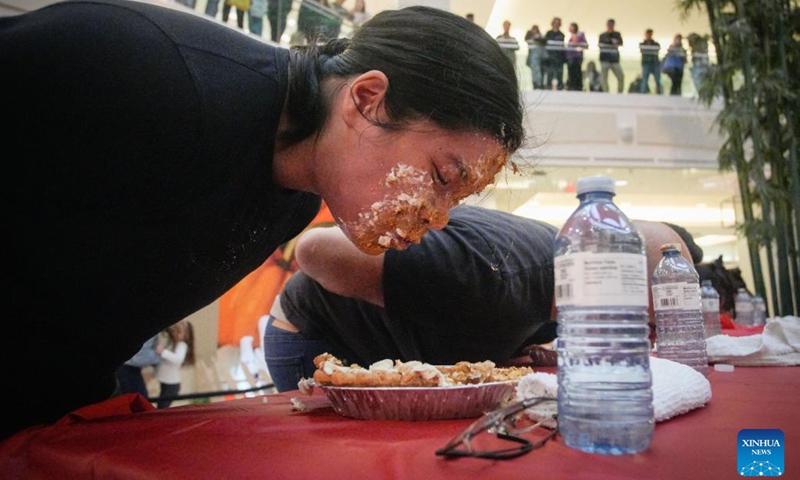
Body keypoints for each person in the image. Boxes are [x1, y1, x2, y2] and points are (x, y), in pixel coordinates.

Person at [1, 0, 523, 438]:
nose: (438, 220)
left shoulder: (294, 198)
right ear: (367, 99)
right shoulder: (158, 78)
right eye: (441, 175)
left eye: (460, 197)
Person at [263, 205, 696, 391]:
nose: (640, 343)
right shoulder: (488, 278)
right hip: (315, 338)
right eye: (645, 327)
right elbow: (314, 249)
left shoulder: (564, 278)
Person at [263, 206, 559, 391]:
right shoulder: (478, 273)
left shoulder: (559, 270)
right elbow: (315, 250)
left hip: (392, 343)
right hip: (319, 335)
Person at [154, 321, 195, 409]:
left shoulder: (182, 345)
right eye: (174, 331)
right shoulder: (171, 344)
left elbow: (178, 359)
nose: (175, 334)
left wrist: (163, 352)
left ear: (186, 334)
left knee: (162, 407)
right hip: (166, 382)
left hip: (171, 385)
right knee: (161, 405)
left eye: (178, 332)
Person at [598, 18, 624, 93]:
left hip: (614, 59)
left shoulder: (617, 34)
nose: (610, 26)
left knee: (620, 76)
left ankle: (620, 92)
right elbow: (601, 45)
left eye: (611, 25)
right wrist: (610, 42)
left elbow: (620, 43)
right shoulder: (602, 35)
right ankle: (606, 92)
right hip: (604, 59)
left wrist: (615, 42)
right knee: (604, 77)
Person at [543, 17, 565, 90]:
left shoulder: (561, 34)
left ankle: (560, 87)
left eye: (557, 23)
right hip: (550, 56)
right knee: (550, 73)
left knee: (559, 73)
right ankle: (548, 87)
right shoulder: (548, 33)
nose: (556, 24)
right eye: (555, 23)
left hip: (559, 56)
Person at [639, 28, 663, 94]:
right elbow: (642, 50)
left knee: (658, 79)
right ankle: (643, 93)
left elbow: (657, 50)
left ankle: (660, 92)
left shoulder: (655, 44)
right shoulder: (642, 44)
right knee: (645, 79)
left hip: (655, 63)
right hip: (646, 63)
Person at [565, 22, 587, 91]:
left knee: (575, 71)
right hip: (571, 57)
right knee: (571, 71)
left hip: (575, 57)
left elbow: (582, 45)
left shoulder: (578, 35)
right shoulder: (572, 36)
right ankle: (572, 85)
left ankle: (576, 85)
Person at [524, 24, 546, 89]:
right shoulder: (530, 36)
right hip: (532, 57)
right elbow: (526, 39)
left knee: (539, 71)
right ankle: (535, 84)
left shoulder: (540, 36)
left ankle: (539, 83)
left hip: (539, 57)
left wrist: (537, 39)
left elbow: (544, 41)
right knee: (534, 71)